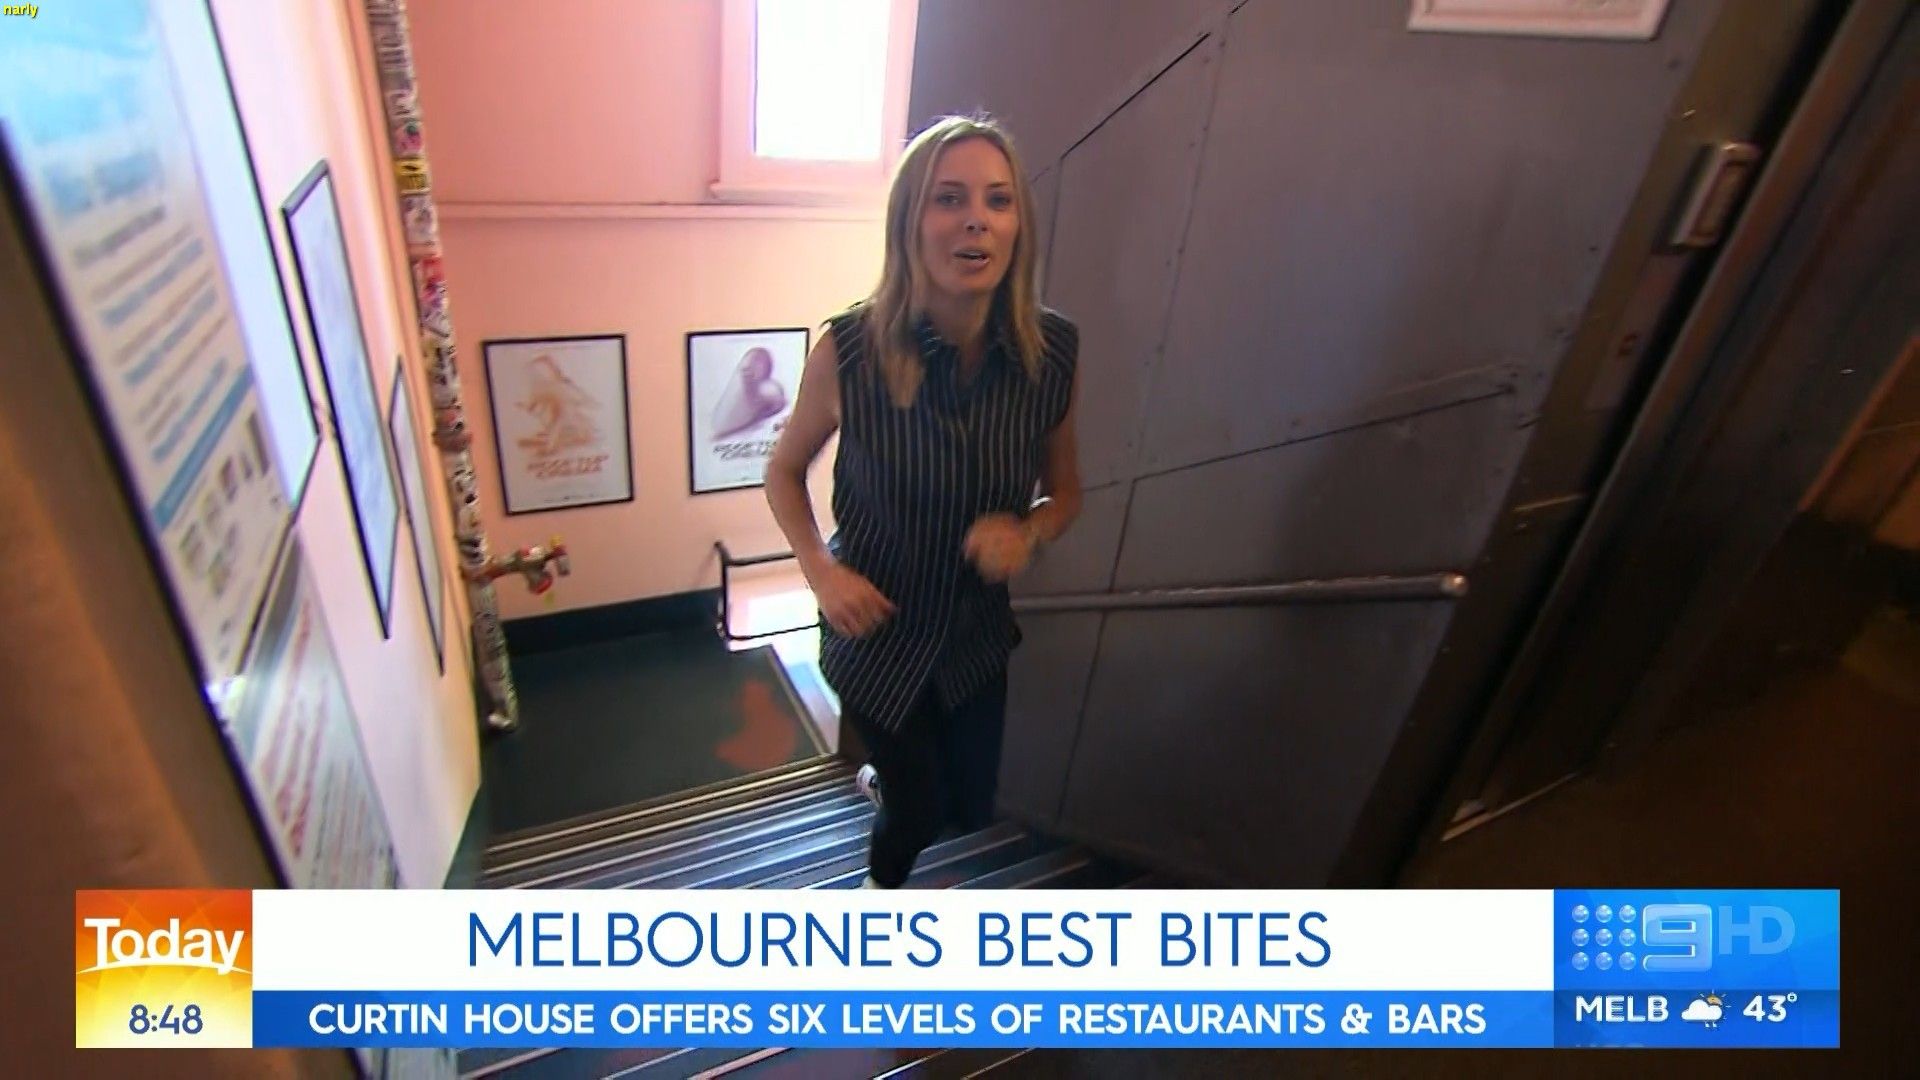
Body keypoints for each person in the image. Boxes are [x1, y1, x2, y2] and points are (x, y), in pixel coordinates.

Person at [764, 114, 1083, 889]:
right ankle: (878, 891)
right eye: (949, 198)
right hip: (876, 640)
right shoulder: (849, 351)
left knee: (970, 804)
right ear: (911, 220)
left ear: (1017, 226)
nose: (977, 218)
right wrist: (821, 574)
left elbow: (1066, 492)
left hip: (975, 639)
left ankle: (894, 787)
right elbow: (783, 471)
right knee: (916, 812)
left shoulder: (1052, 354)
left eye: (998, 200)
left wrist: (1029, 533)